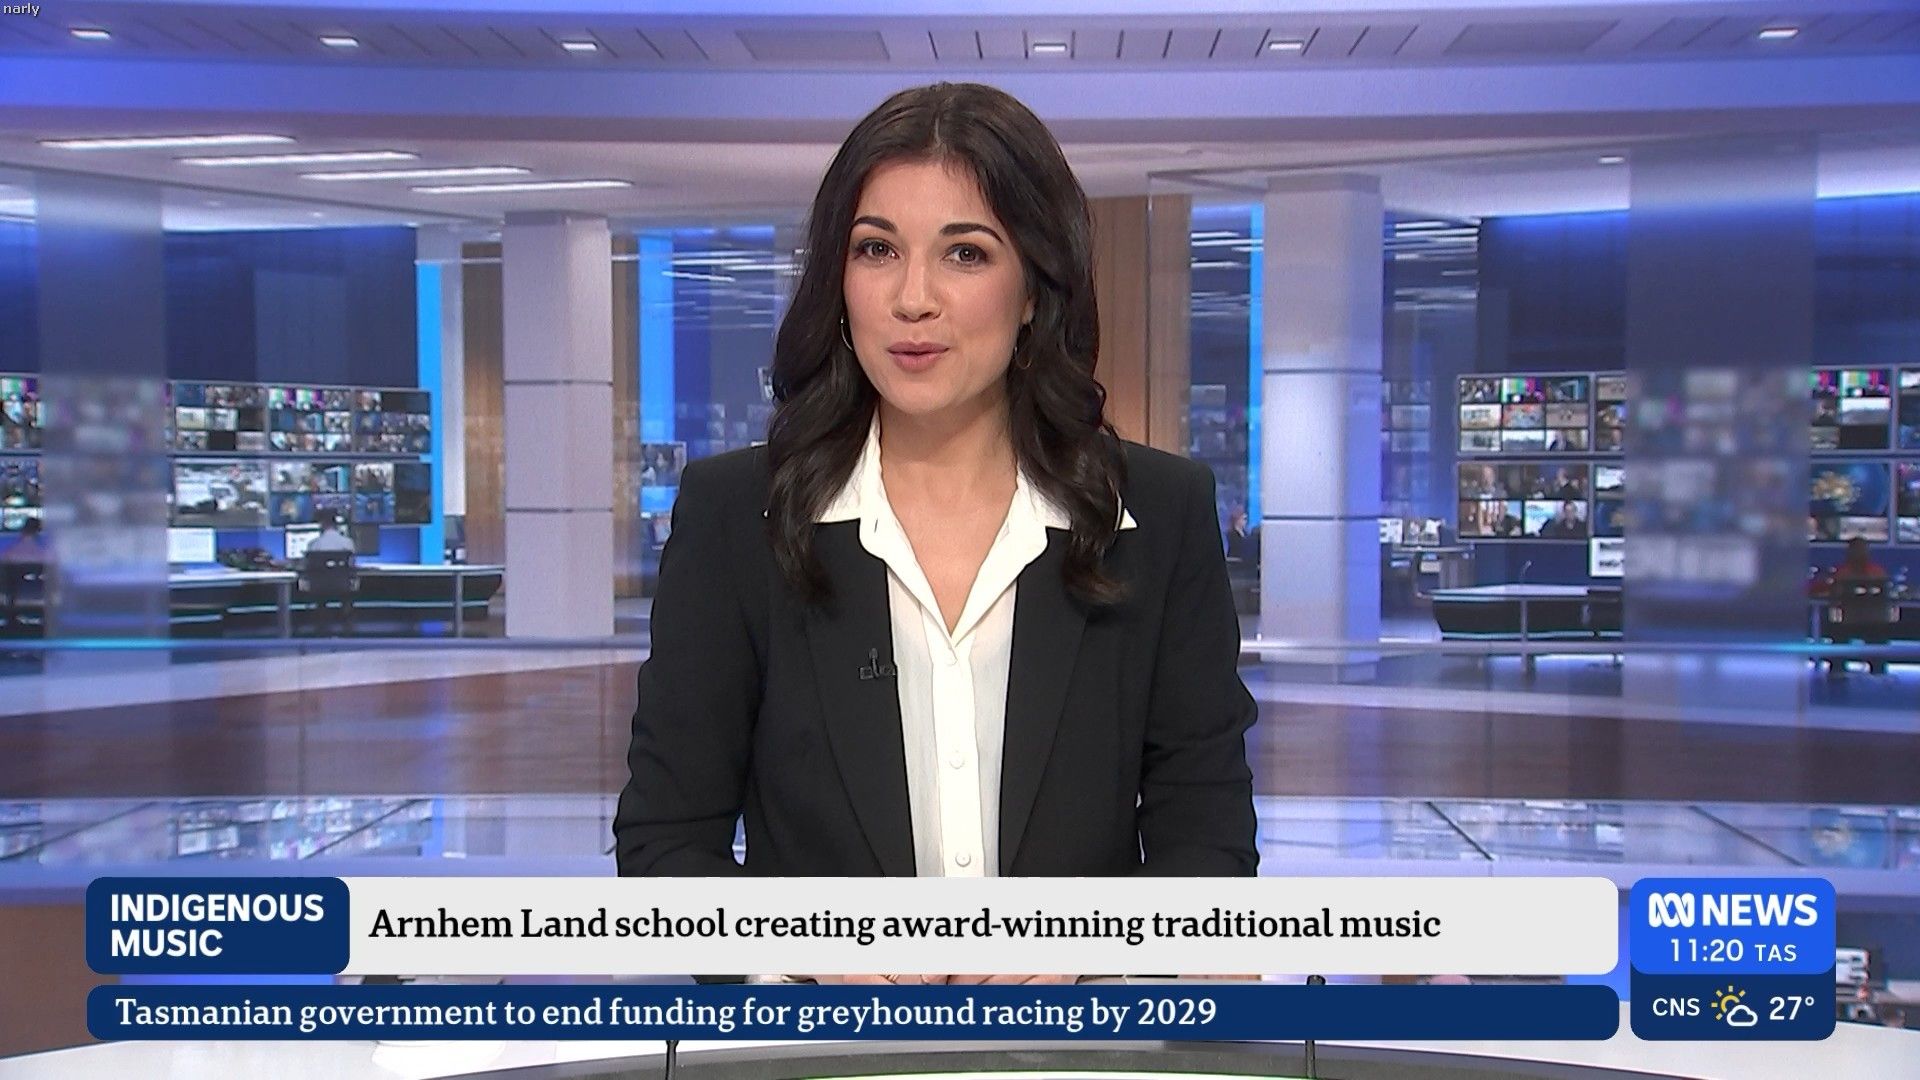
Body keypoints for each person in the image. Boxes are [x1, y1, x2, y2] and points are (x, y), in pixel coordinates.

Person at [612, 82, 1258, 984]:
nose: (912, 299)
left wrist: (1092, 950)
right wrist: (806, 948)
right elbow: (663, 849)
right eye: (876, 249)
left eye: (965, 253)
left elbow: (1209, 850)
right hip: (821, 1042)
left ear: (1033, 289)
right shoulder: (735, 517)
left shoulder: (1156, 513)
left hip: (1077, 1041)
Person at [1825, 537, 1892, 676]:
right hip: (1853, 621)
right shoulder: (1843, 574)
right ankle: (1837, 672)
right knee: (1838, 636)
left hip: (1868, 622)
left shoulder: (1876, 572)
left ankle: (1876, 671)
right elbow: (1834, 597)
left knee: (1876, 637)